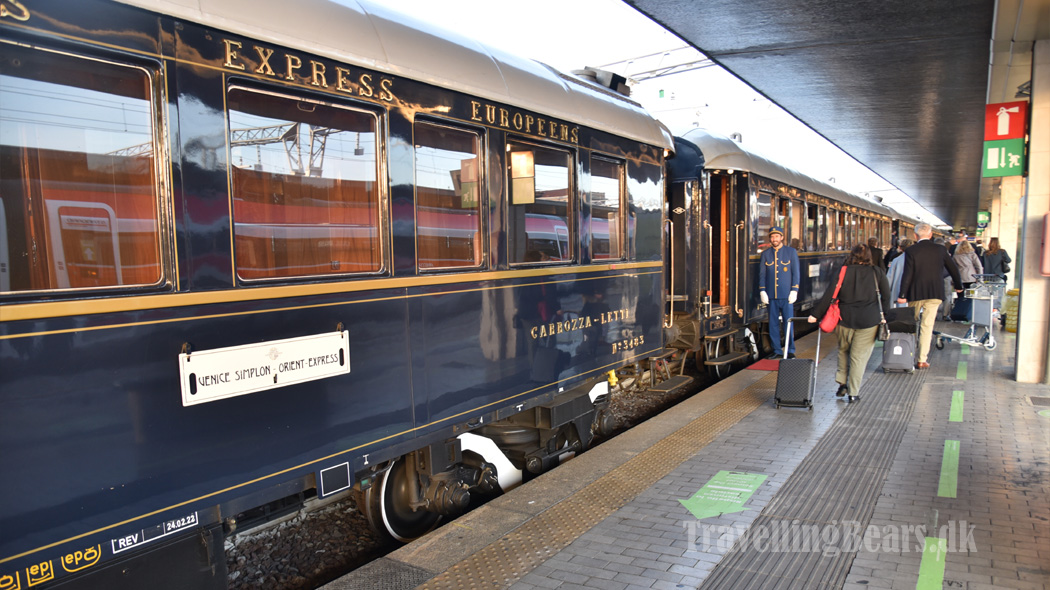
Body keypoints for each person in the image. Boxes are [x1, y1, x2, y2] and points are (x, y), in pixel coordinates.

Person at [807, 245, 891, 402]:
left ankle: (842, 383)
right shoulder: (877, 272)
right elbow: (886, 296)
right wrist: (885, 316)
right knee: (858, 357)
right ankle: (853, 392)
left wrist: (815, 314)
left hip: (844, 319)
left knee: (844, 351)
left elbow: (829, 295)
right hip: (869, 321)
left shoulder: (843, 271)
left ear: (852, 255)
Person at [897, 223, 963, 369]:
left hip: (915, 293)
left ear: (915, 236)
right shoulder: (940, 250)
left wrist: (902, 294)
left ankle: (908, 355)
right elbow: (953, 269)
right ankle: (922, 360)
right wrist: (958, 286)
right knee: (927, 326)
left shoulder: (911, 250)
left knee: (912, 324)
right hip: (935, 293)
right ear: (931, 234)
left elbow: (907, 274)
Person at [759, 226, 800, 359]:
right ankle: (777, 350)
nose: (774, 239)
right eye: (772, 237)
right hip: (771, 296)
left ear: (782, 237)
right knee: (773, 324)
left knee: (788, 323)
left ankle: (790, 350)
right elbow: (762, 275)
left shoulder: (791, 252)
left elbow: (796, 273)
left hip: (787, 295)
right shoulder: (766, 254)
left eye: (776, 236)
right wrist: (762, 291)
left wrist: (794, 290)